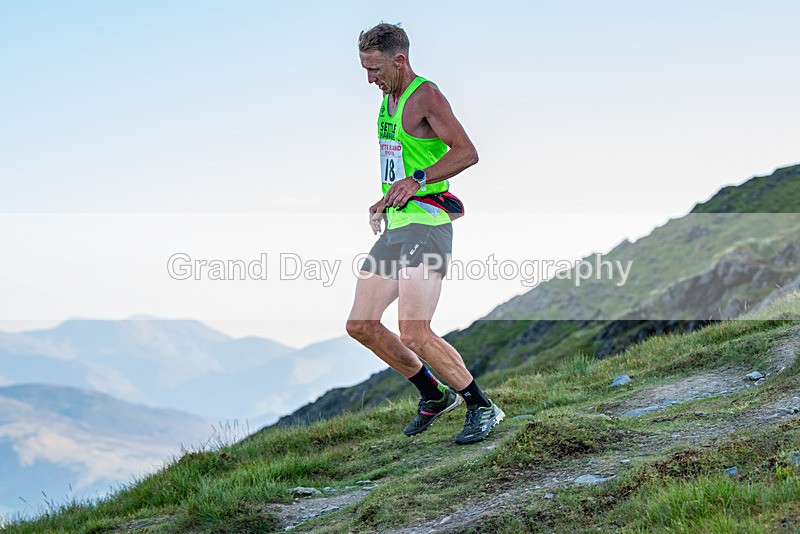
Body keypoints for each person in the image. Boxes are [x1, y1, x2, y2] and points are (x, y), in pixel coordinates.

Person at [346, 23, 504, 444]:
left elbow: (467, 152)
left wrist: (416, 180)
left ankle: (480, 405)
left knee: (415, 331)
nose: (369, 79)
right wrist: (384, 199)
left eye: (375, 69)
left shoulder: (426, 96)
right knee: (360, 324)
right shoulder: (387, 100)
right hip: (397, 226)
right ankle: (433, 394)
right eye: (364, 69)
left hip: (427, 227)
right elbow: (397, 165)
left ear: (400, 60)